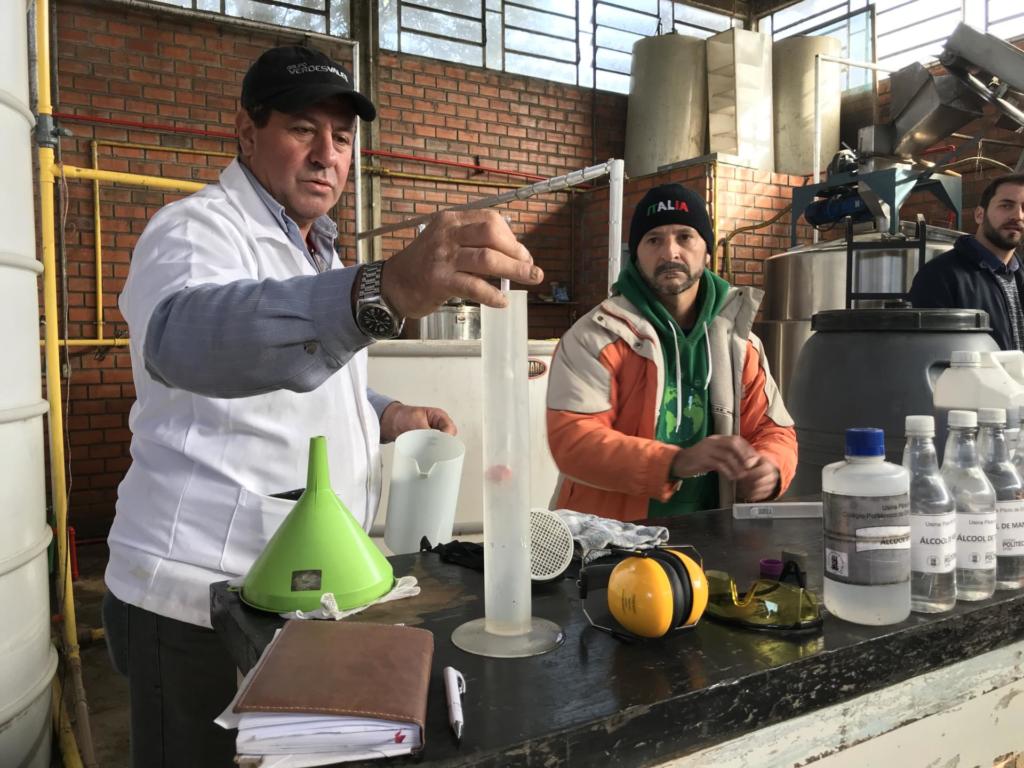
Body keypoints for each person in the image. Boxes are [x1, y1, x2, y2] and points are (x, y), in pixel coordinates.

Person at [101, 45, 542, 767]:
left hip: (299, 588)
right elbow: (183, 340)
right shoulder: (194, 229)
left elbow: (310, 380)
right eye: (302, 128)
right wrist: (383, 290)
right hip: (194, 597)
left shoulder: (318, 252)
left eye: (341, 137)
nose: (326, 154)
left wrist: (387, 413)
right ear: (247, 131)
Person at [546, 183, 797, 521]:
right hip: (609, 537)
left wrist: (771, 467)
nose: (670, 253)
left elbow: (773, 430)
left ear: (707, 250)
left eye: (684, 237)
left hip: (709, 534)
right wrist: (675, 462)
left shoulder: (739, 345)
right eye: (654, 240)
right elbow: (575, 442)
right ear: (636, 255)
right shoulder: (595, 337)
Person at [909, 174, 1024, 350]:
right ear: (979, 215)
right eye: (1006, 205)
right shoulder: (939, 276)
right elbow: (928, 354)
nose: (1018, 215)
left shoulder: (1019, 275)